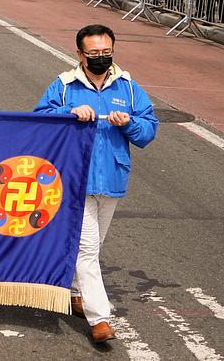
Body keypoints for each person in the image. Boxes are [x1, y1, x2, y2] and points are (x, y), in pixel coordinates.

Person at [34, 24, 157, 343]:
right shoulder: (64, 85)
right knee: (87, 249)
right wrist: (68, 111)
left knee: (91, 246)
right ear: (80, 54)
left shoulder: (128, 87)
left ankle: (75, 293)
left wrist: (129, 123)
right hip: (75, 179)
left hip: (113, 178)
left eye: (107, 52)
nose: (101, 58)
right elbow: (40, 121)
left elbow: (148, 131)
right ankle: (100, 318)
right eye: (94, 53)